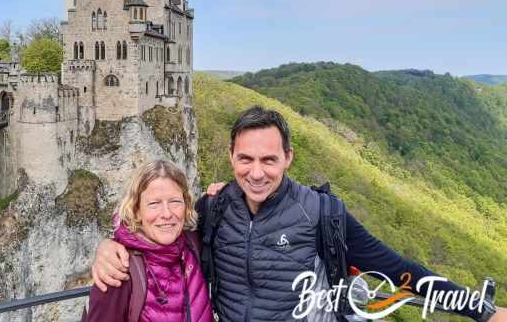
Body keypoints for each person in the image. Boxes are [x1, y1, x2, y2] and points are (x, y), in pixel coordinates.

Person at [91, 106, 506, 322]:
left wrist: (478, 308)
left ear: (289, 157)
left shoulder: (323, 214)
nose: (256, 172)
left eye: (269, 160)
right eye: (246, 159)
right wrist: (109, 245)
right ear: (231, 156)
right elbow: (158, 231)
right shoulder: (213, 209)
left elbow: (398, 271)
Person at [82, 159, 213, 322]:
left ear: (186, 205)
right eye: (154, 203)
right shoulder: (118, 270)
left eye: (175, 201)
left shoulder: (192, 246)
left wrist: (221, 191)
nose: (166, 213)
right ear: (136, 211)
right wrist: (105, 246)